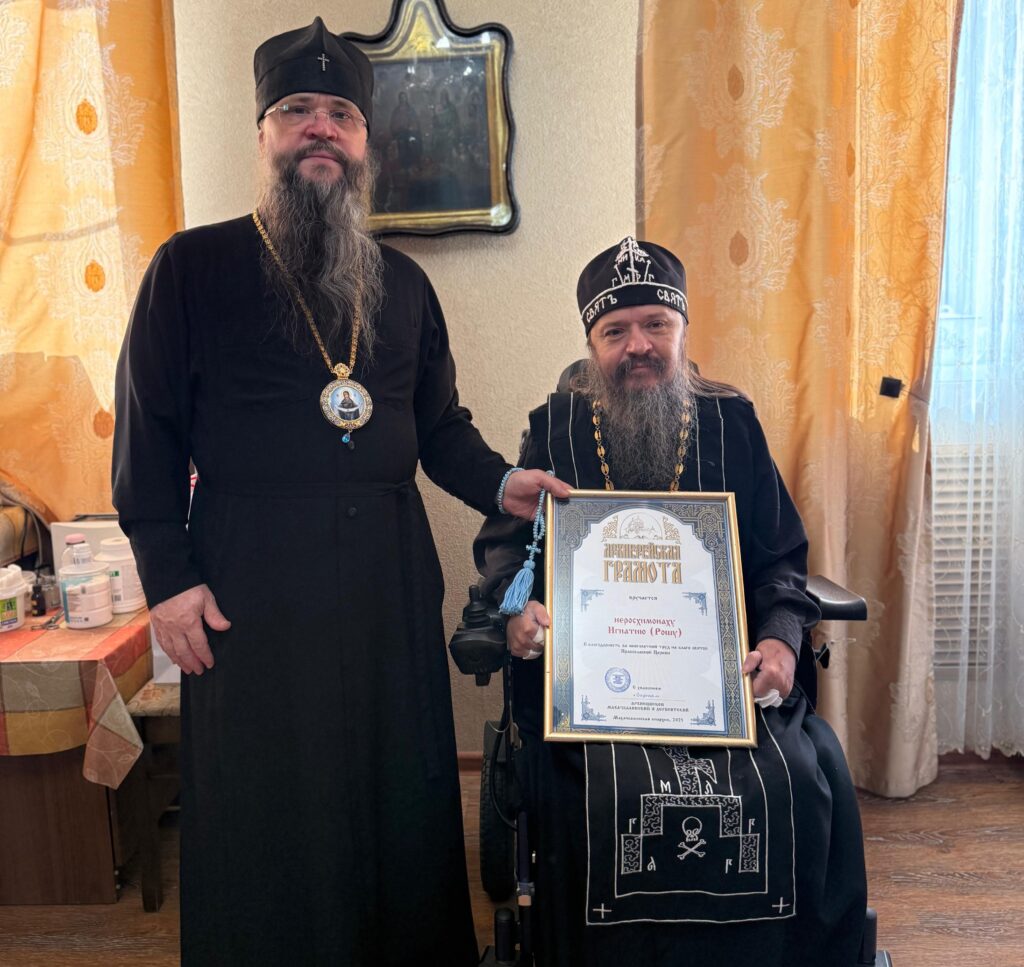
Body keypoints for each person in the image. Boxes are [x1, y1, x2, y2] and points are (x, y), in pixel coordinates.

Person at [112, 17, 567, 966]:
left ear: (365, 142)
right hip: (249, 587)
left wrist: (502, 481)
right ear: (264, 134)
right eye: (296, 110)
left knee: (395, 785)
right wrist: (169, 580)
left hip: (384, 583)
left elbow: (437, 426)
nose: (320, 127)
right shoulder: (189, 269)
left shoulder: (402, 284)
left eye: (341, 114)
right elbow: (145, 437)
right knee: (267, 800)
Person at [473, 238, 868, 967]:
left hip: (725, 684)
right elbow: (507, 548)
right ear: (592, 345)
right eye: (615, 331)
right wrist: (515, 612)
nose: (639, 345)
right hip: (593, 695)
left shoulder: (732, 424)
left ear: (684, 330)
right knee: (579, 798)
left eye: (656, 324)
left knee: (803, 778)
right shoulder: (555, 428)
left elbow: (781, 557)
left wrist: (781, 638)